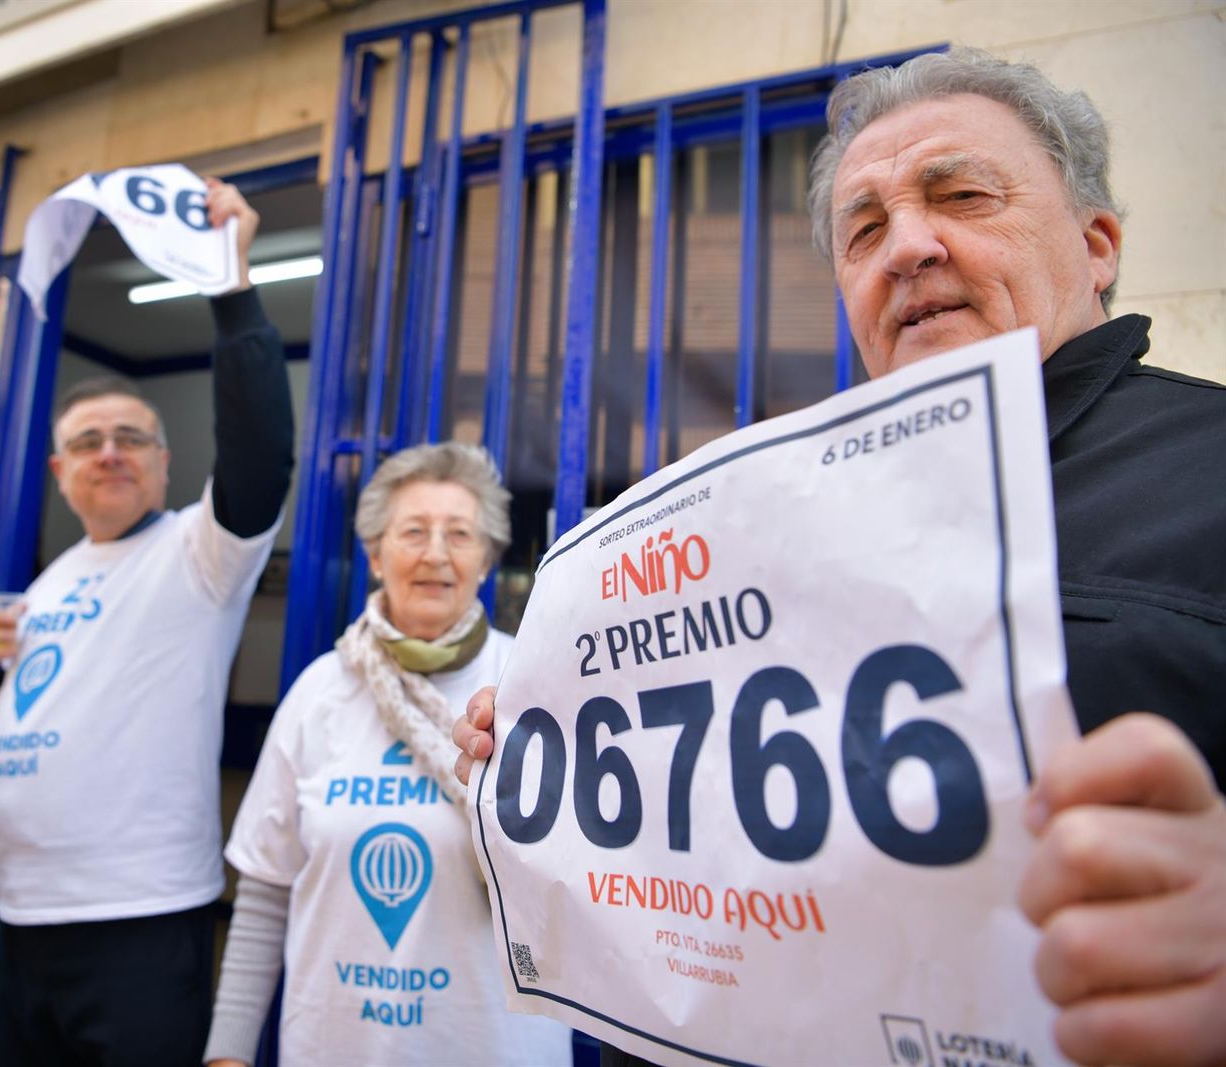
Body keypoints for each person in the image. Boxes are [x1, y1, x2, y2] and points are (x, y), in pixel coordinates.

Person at [453, 47, 1226, 1067]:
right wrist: (558, 753)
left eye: (961, 194)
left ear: (1096, 245)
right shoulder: (755, 517)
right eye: (864, 229)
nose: (907, 246)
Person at [0, 179, 294, 1066]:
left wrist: (230, 287)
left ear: (163, 462)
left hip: (138, 919)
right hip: (23, 916)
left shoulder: (199, 552)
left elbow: (260, 450)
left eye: (132, 438)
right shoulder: (45, 584)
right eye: (89, 442)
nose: (110, 452)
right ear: (60, 471)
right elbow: (30, 726)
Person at [203, 442, 572, 1067]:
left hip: (498, 1048)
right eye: (413, 533)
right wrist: (228, 1054)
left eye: (460, 534)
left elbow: (586, 886)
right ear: (375, 555)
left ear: (485, 560)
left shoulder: (532, 683)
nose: (435, 554)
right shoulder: (319, 693)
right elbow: (265, 894)